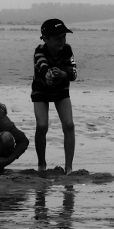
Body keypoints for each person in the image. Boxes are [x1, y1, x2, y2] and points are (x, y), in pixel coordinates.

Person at [32, 18, 77, 174]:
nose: (62, 41)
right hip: (41, 91)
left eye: (64, 37)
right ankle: (41, 164)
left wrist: (63, 73)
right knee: (42, 126)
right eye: (58, 38)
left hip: (60, 91)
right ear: (45, 39)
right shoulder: (39, 50)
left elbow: (73, 73)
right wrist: (48, 74)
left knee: (69, 125)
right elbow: (42, 64)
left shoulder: (67, 49)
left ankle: (69, 168)